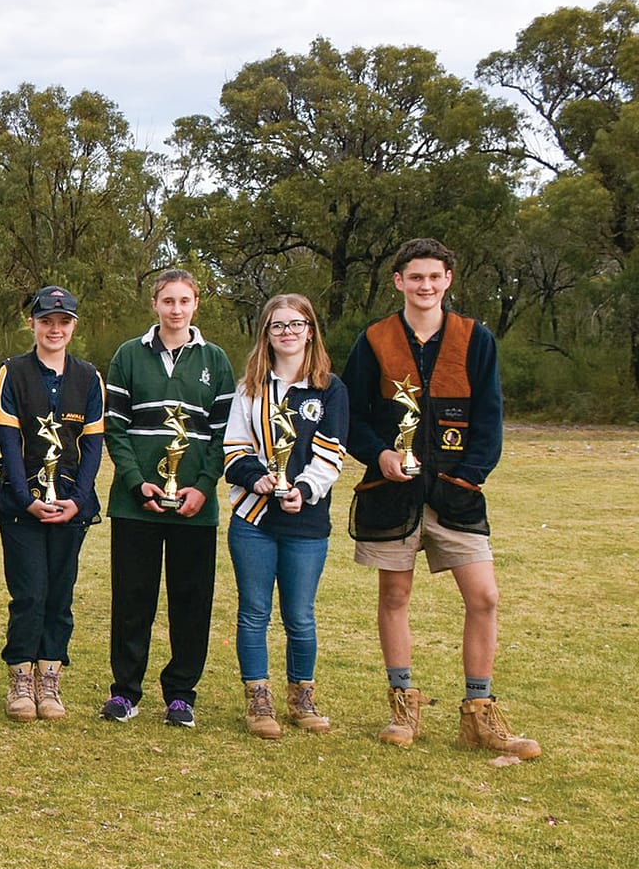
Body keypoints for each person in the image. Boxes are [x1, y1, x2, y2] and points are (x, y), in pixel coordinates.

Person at [342, 237, 540, 758]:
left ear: (448, 279)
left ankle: (480, 713)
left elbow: (490, 418)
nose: (425, 286)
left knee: (484, 597)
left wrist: (469, 477)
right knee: (395, 597)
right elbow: (353, 415)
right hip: (393, 492)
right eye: (416, 277)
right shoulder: (375, 339)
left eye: (435, 276)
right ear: (399, 282)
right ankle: (403, 708)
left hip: (456, 494)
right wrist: (379, 453)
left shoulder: (476, 338)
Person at [101, 269, 235, 728]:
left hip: (196, 506)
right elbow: (114, 428)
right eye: (167, 301)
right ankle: (125, 692)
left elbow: (222, 434)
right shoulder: (127, 356)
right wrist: (137, 482)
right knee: (132, 598)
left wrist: (202, 486)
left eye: (184, 301)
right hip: (135, 502)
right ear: (154, 304)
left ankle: (181, 694)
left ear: (196, 304)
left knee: (191, 600)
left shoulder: (214, 360)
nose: (175, 309)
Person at [222, 294, 348, 739]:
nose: (288, 333)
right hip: (254, 519)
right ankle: (258, 700)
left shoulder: (330, 388)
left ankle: (302, 697)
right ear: (266, 335)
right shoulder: (249, 389)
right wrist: (258, 480)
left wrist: (303, 490)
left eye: (296, 325)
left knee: (300, 615)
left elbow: (333, 454)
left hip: (306, 520)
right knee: (254, 612)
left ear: (310, 330)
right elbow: (233, 448)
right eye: (278, 326)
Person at [0, 286, 105, 723]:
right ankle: (21, 677)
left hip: (71, 506)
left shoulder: (89, 376)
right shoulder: (12, 372)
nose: (54, 329)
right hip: (24, 506)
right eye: (46, 321)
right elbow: (8, 443)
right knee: (29, 592)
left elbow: (93, 447)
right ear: (32, 324)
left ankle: (50, 677)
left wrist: (78, 501)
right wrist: (26, 499)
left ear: (73, 326)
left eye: (63, 322)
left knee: (59, 594)